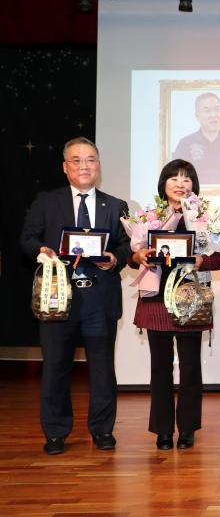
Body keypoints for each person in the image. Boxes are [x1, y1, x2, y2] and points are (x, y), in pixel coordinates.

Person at [20, 137, 130, 455]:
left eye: (91, 159)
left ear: (99, 165)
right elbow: (27, 237)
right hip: (58, 297)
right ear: (65, 167)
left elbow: (124, 245)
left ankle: (102, 430)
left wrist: (115, 259)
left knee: (102, 369)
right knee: (55, 366)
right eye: (77, 160)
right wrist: (41, 250)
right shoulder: (47, 201)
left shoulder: (115, 204)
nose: (85, 166)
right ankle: (55, 432)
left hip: (100, 297)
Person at [129, 160, 220, 451]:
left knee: (190, 367)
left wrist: (201, 260)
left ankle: (187, 429)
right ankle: (162, 431)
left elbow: (219, 258)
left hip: (190, 299)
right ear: (164, 184)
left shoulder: (203, 218)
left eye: (187, 179)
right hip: (156, 298)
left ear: (194, 186)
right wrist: (139, 256)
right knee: (159, 368)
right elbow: (132, 256)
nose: (181, 184)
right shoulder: (150, 216)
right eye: (175, 178)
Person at [172, 92, 220, 185]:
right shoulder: (185, 143)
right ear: (197, 116)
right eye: (207, 111)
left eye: (217, 109)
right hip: (194, 198)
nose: (213, 115)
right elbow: (177, 180)